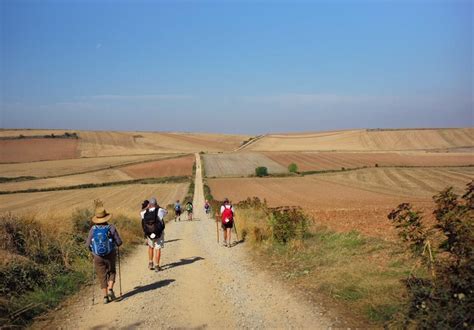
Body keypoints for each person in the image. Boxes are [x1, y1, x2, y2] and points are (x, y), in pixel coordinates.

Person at [86, 206, 123, 304]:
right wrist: (116, 244)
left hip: (97, 256)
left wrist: (93, 251)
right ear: (106, 217)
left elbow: (87, 244)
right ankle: (110, 289)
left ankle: (105, 297)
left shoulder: (93, 229)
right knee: (112, 272)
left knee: (102, 276)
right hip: (110, 254)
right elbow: (119, 242)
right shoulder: (111, 227)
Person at [141, 197, 167, 272]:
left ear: (149, 204)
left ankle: (150, 263)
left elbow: (141, 213)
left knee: (150, 247)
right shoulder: (160, 210)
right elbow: (166, 212)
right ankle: (157, 266)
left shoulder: (144, 212)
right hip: (158, 233)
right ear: (156, 204)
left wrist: (146, 207)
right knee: (157, 248)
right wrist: (159, 207)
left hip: (149, 233)